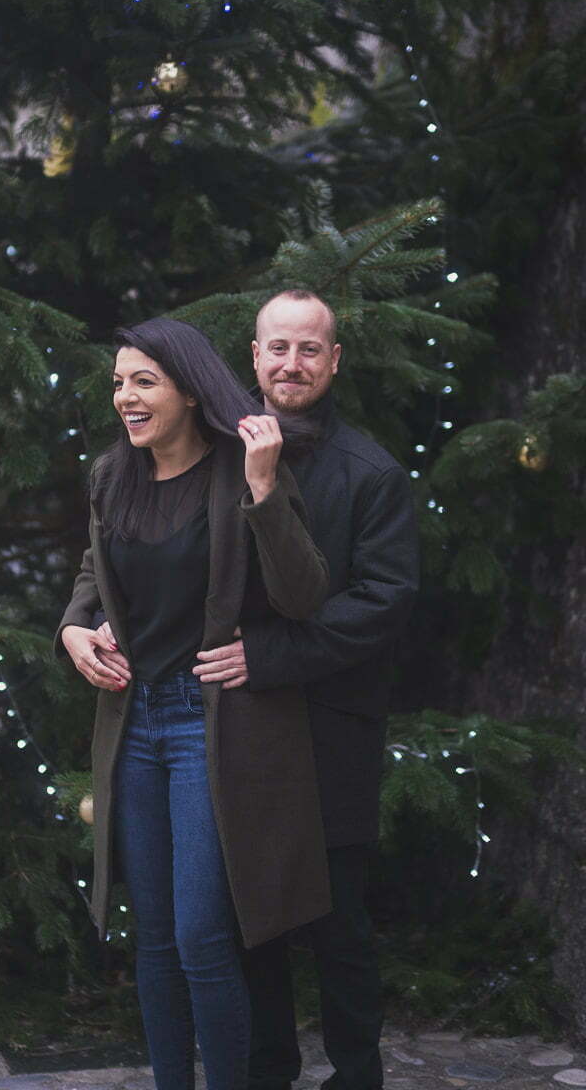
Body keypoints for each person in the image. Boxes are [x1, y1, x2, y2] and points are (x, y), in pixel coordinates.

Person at [54, 317, 333, 1090]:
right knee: (154, 943)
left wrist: (266, 488)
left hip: (209, 725)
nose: (126, 398)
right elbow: (93, 573)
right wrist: (74, 630)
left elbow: (302, 595)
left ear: (186, 388)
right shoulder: (114, 477)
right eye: (118, 383)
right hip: (134, 721)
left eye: (143, 381)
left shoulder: (238, 471)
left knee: (204, 936)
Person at [193, 290, 420, 1090]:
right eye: (278, 348)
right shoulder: (214, 453)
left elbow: (382, 605)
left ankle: (358, 1077)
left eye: (310, 350)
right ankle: (267, 1072)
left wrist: (272, 655)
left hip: (330, 727)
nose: (292, 364)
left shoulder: (373, 472)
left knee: (339, 928)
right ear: (253, 356)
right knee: (254, 920)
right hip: (242, 725)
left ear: (334, 361)